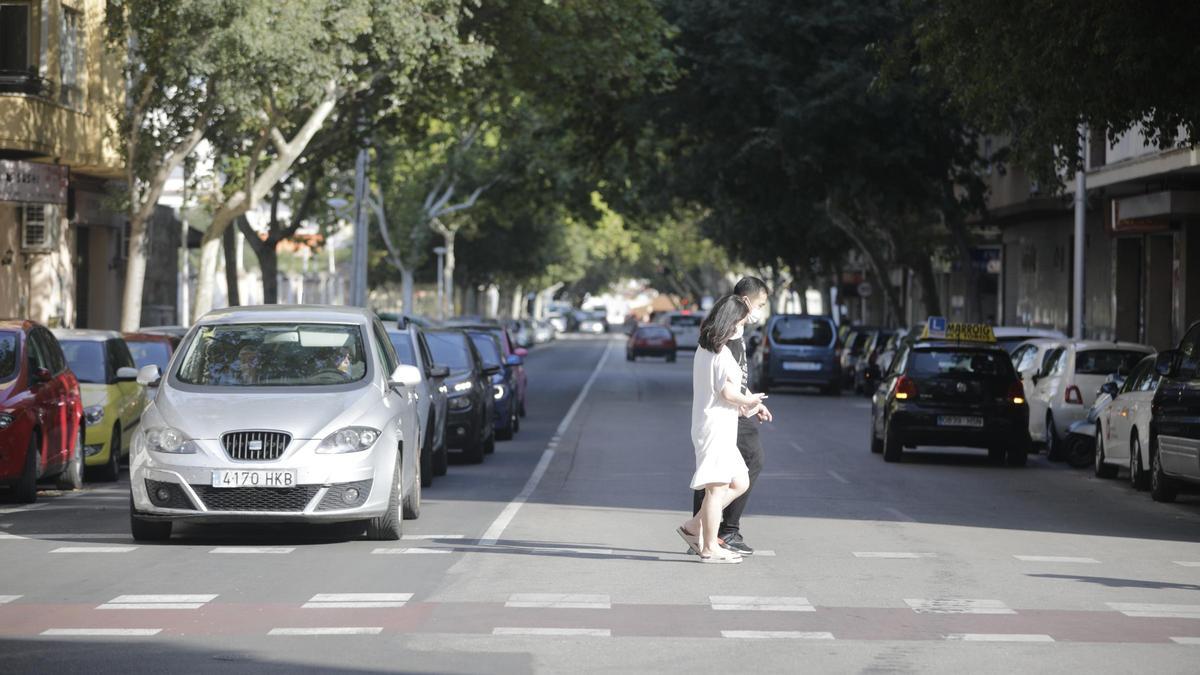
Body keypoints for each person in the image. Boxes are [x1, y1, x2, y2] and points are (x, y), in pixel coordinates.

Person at [678, 294, 767, 563]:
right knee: (716, 491)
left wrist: (749, 405)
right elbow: (727, 392)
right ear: (731, 321)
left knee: (740, 481)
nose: (743, 325)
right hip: (715, 427)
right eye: (740, 321)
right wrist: (750, 400)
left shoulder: (707, 349)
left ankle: (694, 527)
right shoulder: (718, 352)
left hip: (722, 426)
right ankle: (708, 547)